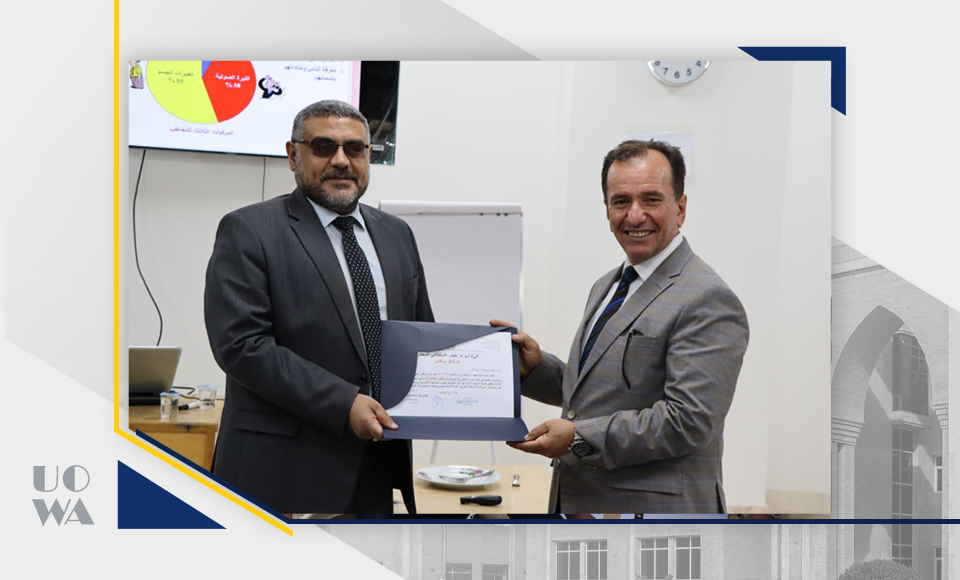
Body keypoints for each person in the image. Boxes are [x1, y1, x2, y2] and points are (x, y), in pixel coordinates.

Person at [204, 100, 433, 515]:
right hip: (281, 475)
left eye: (355, 149)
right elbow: (241, 346)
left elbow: (420, 337)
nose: (341, 161)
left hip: (378, 470)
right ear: (294, 155)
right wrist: (345, 403)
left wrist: (486, 375)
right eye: (324, 147)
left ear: (369, 155)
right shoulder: (249, 229)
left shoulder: (397, 234)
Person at [494, 140, 748, 514]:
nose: (634, 215)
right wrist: (536, 369)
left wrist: (576, 438)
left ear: (680, 208)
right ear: (607, 210)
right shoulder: (607, 285)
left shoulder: (707, 298)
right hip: (582, 507)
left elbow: (688, 421)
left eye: (651, 199)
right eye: (621, 201)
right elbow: (602, 394)